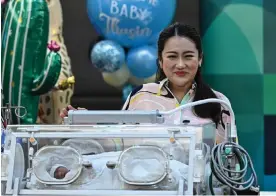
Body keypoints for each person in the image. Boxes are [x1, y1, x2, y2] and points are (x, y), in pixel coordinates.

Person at [60, 22, 233, 144]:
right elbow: (119, 144)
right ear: (160, 60)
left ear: (200, 59)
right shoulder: (141, 95)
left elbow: (231, 162)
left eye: (188, 56)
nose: (180, 64)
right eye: (172, 56)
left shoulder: (217, 102)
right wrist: (87, 123)